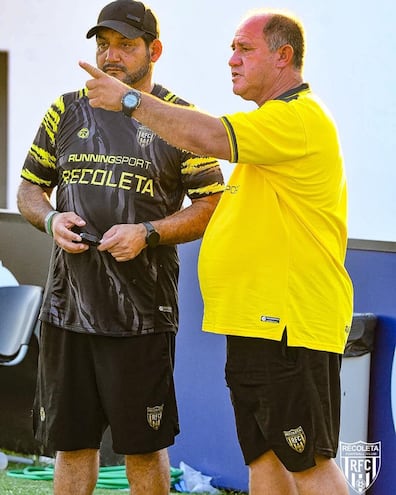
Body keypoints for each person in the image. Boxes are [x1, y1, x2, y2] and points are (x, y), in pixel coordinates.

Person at [80, 7, 354, 495]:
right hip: (254, 323)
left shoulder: (297, 119)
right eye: (232, 49)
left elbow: (206, 135)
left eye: (244, 49)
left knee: (308, 462)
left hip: (287, 324)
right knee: (265, 460)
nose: (232, 60)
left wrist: (127, 100)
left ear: (283, 56)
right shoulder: (269, 126)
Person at [17, 1, 224, 494]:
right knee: (72, 444)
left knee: (144, 446)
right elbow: (28, 189)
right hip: (68, 311)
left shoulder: (179, 120)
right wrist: (49, 219)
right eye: (103, 44)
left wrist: (147, 233)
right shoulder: (66, 109)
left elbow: (215, 204)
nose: (111, 57)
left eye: (126, 46)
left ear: (154, 50)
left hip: (141, 317)